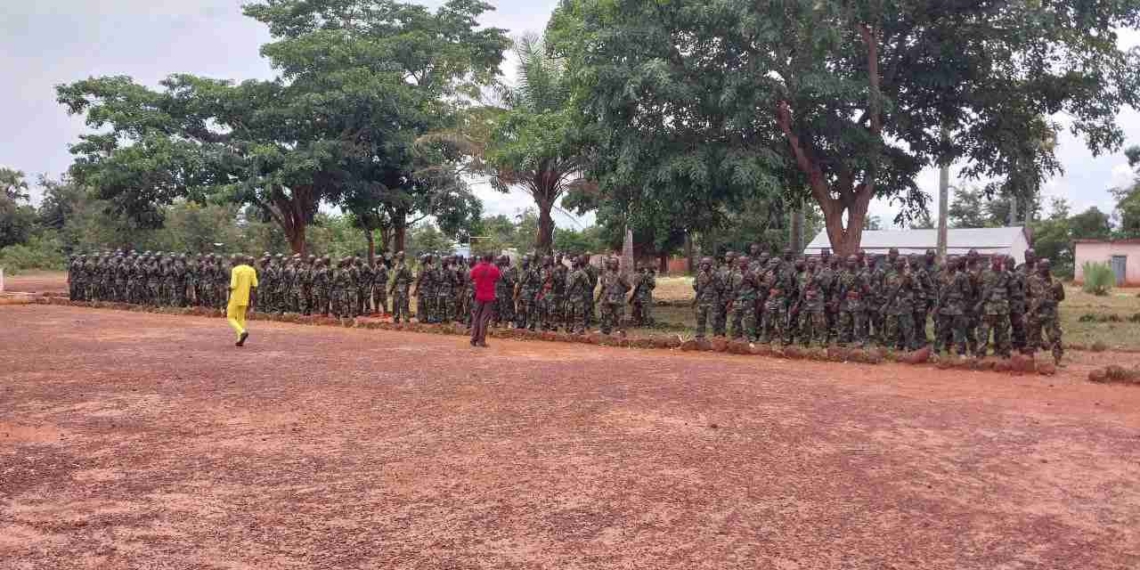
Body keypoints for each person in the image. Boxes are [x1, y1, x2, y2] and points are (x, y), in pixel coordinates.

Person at [468, 253, 501, 347]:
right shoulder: (494, 269)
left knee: (476, 317)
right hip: (489, 296)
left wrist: (477, 284)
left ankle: (473, 339)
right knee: (485, 319)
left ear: (482, 258)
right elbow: (498, 279)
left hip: (479, 296)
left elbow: (469, 279)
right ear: (491, 259)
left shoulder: (476, 268)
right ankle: (481, 341)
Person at [227, 255, 259, 347]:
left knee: (230, 317)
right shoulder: (251, 270)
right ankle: (239, 339)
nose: (231, 262)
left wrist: (228, 288)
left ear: (237, 260)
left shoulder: (235, 270)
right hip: (245, 297)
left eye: (232, 260)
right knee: (241, 318)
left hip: (235, 297)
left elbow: (233, 285)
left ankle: (242, 332)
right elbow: (255, 284)